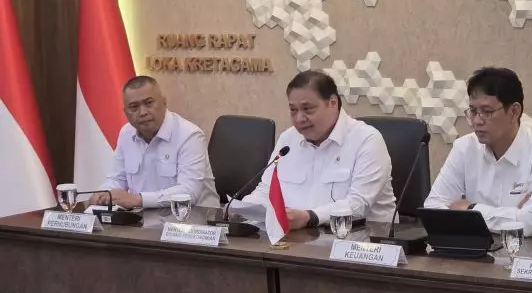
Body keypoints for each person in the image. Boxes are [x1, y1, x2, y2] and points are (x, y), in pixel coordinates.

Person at [424, 67, 532, 237]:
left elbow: (529, 223)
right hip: (483, 248)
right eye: (473, 111)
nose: (476, 121)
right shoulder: (464, 147)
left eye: (487, 112)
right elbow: (433, 207)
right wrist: (513, 215)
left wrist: (471, 210)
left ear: (514, 112)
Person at [238, 70, 395, 228]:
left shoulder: (366, 140)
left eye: (307, 109)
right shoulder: (288, 139)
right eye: (293, 110)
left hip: (360, 238)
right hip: (296, 237)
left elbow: (359, 204)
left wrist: (310, 217)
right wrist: (240, 211)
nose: (299, 118)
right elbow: (267, 190)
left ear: (333, 103)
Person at [88, 75, 219, 209]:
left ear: (164, 102)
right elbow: (117, 179)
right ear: (125, 112)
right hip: (142, 218)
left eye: (149, 103)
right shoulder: (126, 133)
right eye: (134, 107)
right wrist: (104, 194)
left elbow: (189, 192)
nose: (142, 112)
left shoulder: (189, 135)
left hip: (195, 218)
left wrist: (139, 200)